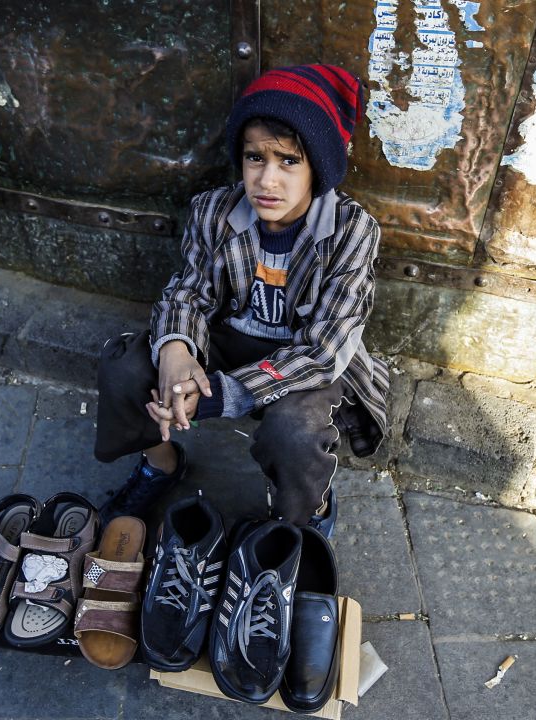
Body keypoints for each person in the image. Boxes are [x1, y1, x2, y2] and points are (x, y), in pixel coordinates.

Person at [93, 64, 389, 537]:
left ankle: (302, 514)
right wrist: (176, 352)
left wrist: (216, 399)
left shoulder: (352, 231)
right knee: (127, 367)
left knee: (295, 431)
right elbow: (187, 291)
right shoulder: (213, 210)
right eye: (255, 158)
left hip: (304, 364)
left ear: (319, 165)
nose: (267, 180)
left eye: (289, 161)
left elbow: (323, 351)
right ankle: (162, 464)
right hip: (229, 342)